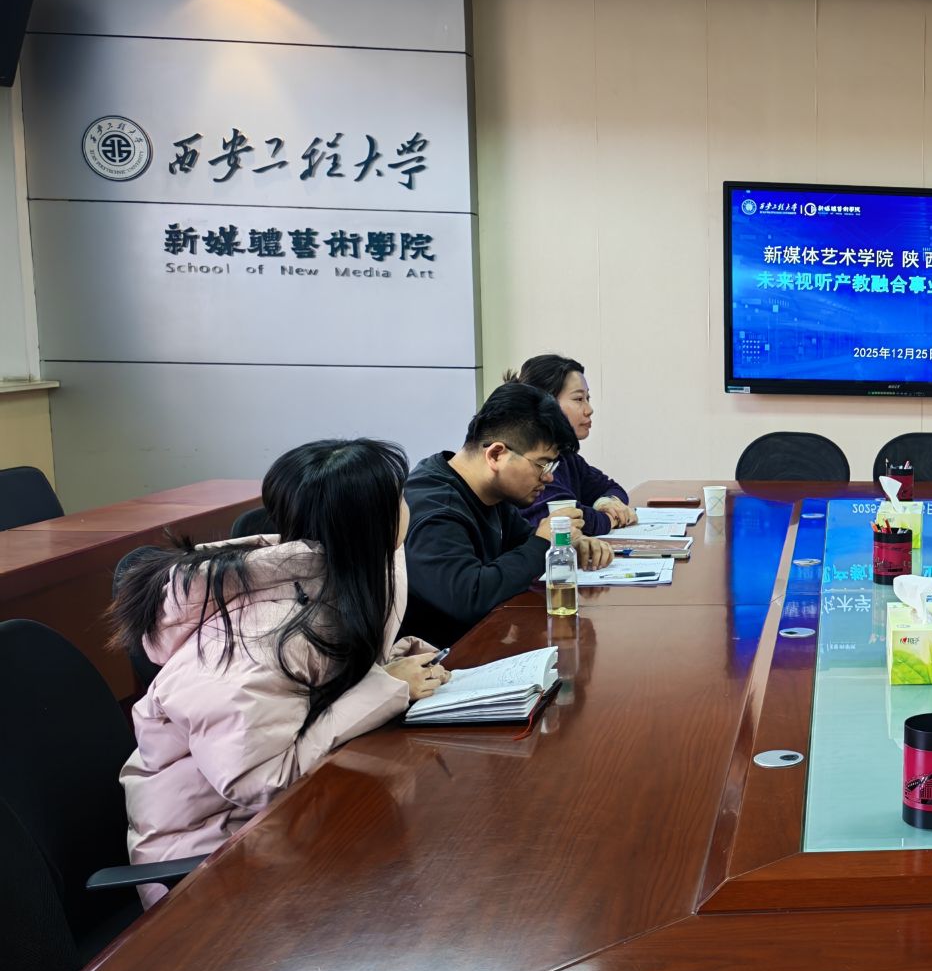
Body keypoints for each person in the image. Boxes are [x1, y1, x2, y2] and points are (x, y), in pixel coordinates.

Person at [111, 439, 452, 903]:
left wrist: (389, 669)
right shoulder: (261, 638)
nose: (408, 506)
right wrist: (386, 686)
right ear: (373, 523)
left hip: (277, 825)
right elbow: (265, 784)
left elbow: (311, 694)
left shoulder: (333, 576)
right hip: (210, 865)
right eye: (399, 498)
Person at [401, 382, 612, 646]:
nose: (548, 477)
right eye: (542, 464)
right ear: (496, 455)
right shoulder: (434, 508)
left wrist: (567, 546)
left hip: (482, 643)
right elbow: (469, 598)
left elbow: (524, 541)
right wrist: (543, 543)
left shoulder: (491, 493)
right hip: (438, 658)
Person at [509, 353, 637, 537]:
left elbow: (611, 488)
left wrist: (607, 502)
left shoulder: (565, 456)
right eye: (579, 399)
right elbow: (568, 519)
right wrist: (611, 518)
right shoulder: (530, 462)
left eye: (588, 398)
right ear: (545, 402)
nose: (589, 410)